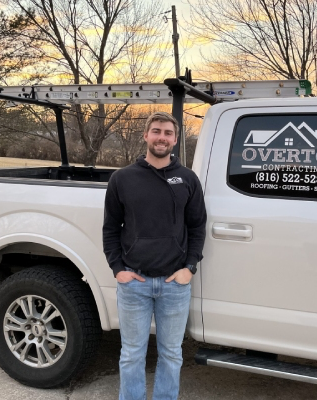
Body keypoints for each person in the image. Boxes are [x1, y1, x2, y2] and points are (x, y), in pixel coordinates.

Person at [102, 111, 207, 400]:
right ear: (146, 135)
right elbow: (111, 228)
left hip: (175, 285)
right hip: (134, 283)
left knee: (171, 354)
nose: (162, 137)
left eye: (168, 133)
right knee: (131, 354)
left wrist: (189, 268)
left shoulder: (188, 179)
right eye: (157, 131)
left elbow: (197, 227)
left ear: (175, 139)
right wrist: (117, 268)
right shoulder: (122, 179)